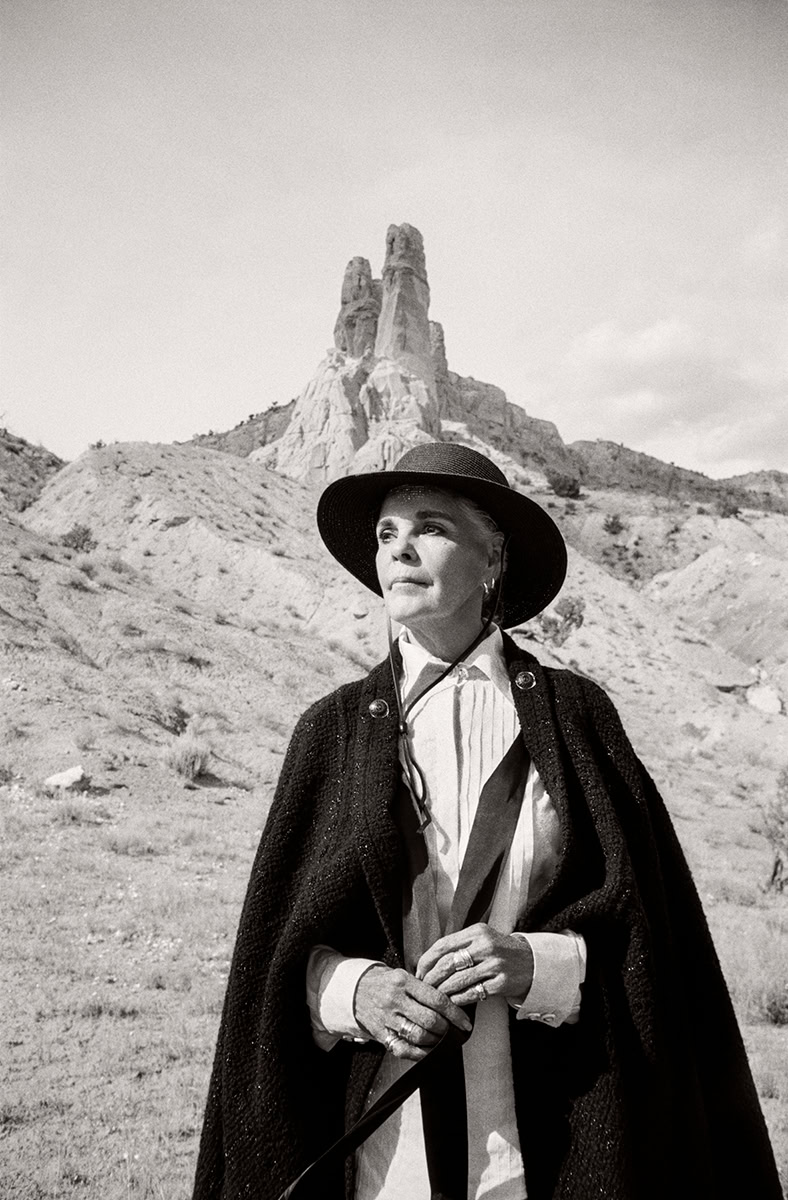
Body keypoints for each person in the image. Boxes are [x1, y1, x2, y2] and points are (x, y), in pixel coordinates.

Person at [193, 442, 782, 1200]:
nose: (399, 548)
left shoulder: (576, 719)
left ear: (493, 558)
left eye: (431, 527)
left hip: (547, 1144)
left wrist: (538, 965)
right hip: (383, 1153)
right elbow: (277, 956)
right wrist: (353, 991)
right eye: (386, 533)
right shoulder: (331, 731)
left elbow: (649, 940)